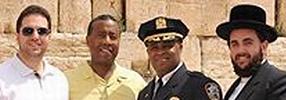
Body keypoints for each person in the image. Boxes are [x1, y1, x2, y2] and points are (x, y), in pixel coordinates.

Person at [137, 16, 222, 100]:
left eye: (167, 46)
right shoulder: (145, 94)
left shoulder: (199, 86)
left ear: (180, 47)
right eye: (154, 48)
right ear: (148, 52)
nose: (160, 52)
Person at [65, 14, 146, 100]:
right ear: (88, 41)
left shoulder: (135, 83)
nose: (107, 41)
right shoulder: (67, 82)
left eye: (113, 37)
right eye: (101, 35)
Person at [216, 4, 286, 100]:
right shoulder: (235, 88)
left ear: (263, 46)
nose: (241, 50)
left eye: (248, 43)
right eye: (234, 44)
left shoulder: (279, 82)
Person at [0, 5, 68, 100]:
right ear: (17, 36)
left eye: (42, 31)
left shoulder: (59, 79)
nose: (35, 37)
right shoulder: (1, 77)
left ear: (49, 37)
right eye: (28, 31)